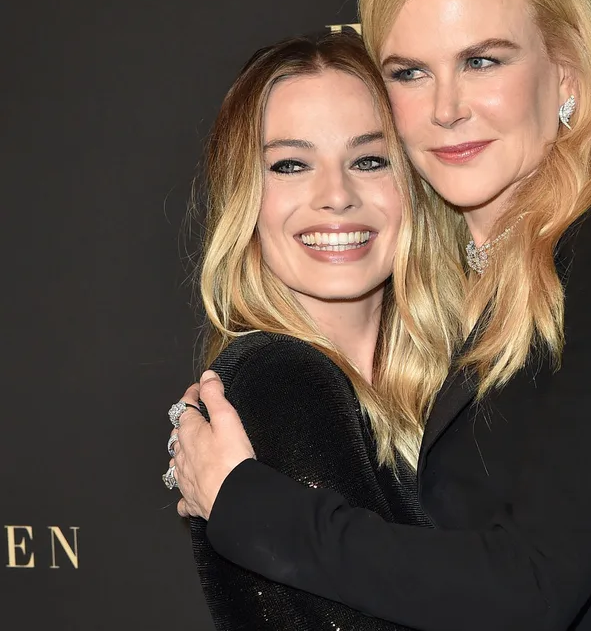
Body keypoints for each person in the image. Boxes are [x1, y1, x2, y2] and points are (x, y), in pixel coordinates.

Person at [170, 0, 591, 630]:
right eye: (409, 73)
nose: (445, 108)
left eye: (481, 61)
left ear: (567, 75)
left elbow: (528, 589)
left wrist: (246, 502)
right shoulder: (463, 307)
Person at [165, 31, 434, 630]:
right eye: (291, 164)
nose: (336, 196)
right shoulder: (277, 380)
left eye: (369, 160)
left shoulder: (451, 384)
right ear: (245, 197)